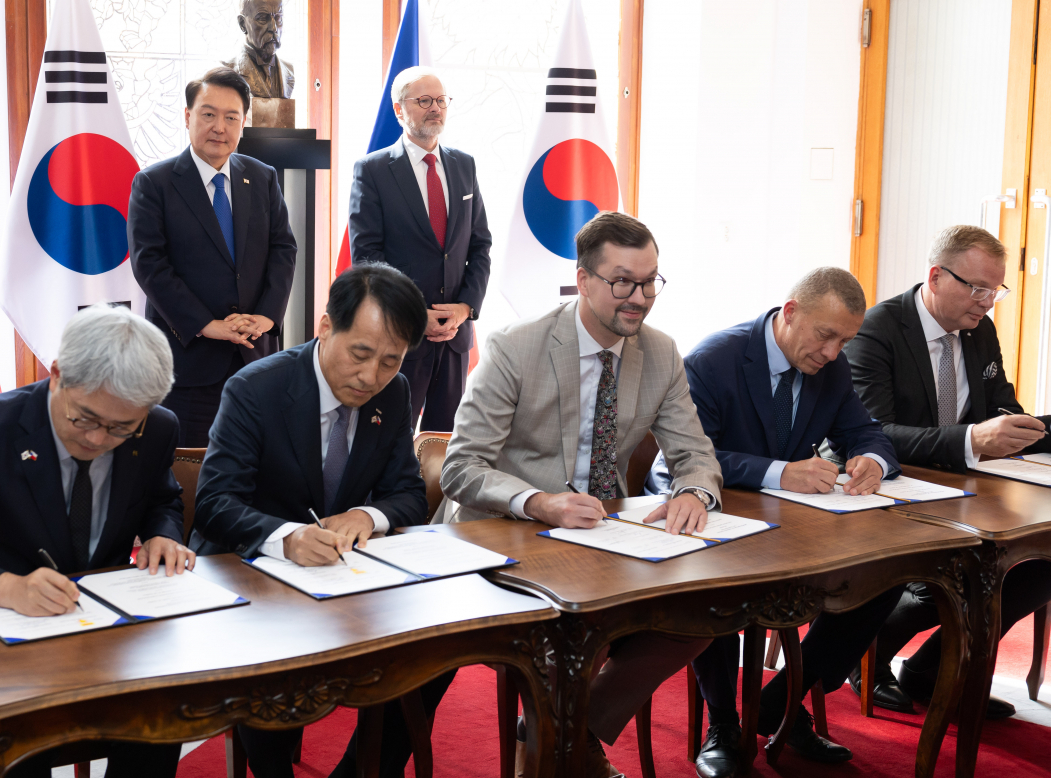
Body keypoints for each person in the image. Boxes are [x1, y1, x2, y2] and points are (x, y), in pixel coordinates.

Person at [441, 212, 722, 778]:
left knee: (701, 615)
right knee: (558, 630)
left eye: (650, 282)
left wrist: (694, 491)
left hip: (604, 537)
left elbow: (695, 453)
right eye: (623, 281)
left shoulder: (662, 353)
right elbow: (460, 468)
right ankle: (567, 746)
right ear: (584, 279)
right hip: (507, 533)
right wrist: (538, 502)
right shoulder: (516, 346)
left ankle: (564, 730)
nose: (639, 297)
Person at [0, 304, 193, 778]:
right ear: (57, 375)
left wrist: (163, 534)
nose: (100, 439)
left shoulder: (157, 428)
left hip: (106, 629)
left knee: (162, 714)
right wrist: (5, 587)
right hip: (7, 643)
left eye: (122, 427)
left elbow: (162, 498)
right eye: (86, 419)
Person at [192, 262, 441, 778]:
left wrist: (366, 515)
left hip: (344, 577)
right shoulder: (255, 388)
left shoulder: (392, 395)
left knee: (433, 655)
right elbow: (215, 501)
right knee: (277, 668)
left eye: (391, 361)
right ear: (325, 327)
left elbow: (408, 495)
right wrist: (286, 538)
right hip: (254, 576)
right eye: (361, 354)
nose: (371, 377)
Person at [677, 267, 901, 775]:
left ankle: (782, 701)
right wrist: (780, 474)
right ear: (791, 312)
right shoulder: (716, 360)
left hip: (791, 526)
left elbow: (869, 432)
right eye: (826, 336)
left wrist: (872, 460)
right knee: (714, 587)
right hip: (713, 517)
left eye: (845, 341)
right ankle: (723, 725)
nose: (832, 353)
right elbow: (686, 458)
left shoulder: (833, 369)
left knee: (884, 577)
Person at [845, 224, 1051, 719]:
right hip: (887, 485)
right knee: (968, 574)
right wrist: (970, 440)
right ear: (935, 277)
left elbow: (1001, 406)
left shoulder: (980, 331)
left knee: (1043, 559)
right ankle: (866, 649)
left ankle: (931, 668)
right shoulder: (877, 330)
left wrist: (1019, 430)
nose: (986, 302)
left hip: (965, 486)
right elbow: (871, 433)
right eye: (976, 288)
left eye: (995, 291)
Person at [128, 66, 297, 447]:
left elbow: (283, 248)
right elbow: (150, 266)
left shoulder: (263, 176)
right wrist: (208, 324)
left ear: (243, 123)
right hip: (190, 360)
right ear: (188, 117)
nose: (219, 127)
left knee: (259, 466)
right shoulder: (154, 183)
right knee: (191, 471)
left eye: (231, 117)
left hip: (256, 357)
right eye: (208, 114)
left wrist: (267, 317)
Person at [348, 67, 492, 432]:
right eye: (424, 100)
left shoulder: (464, 165)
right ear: (399, 110)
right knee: (388, 440)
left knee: (446, 447)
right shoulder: (373, 170)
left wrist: (464, 308)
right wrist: (413, 314)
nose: (435, 108)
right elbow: (367, 259)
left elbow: (480, 245)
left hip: (455, 336)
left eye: (441, 100)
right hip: (400, 335)